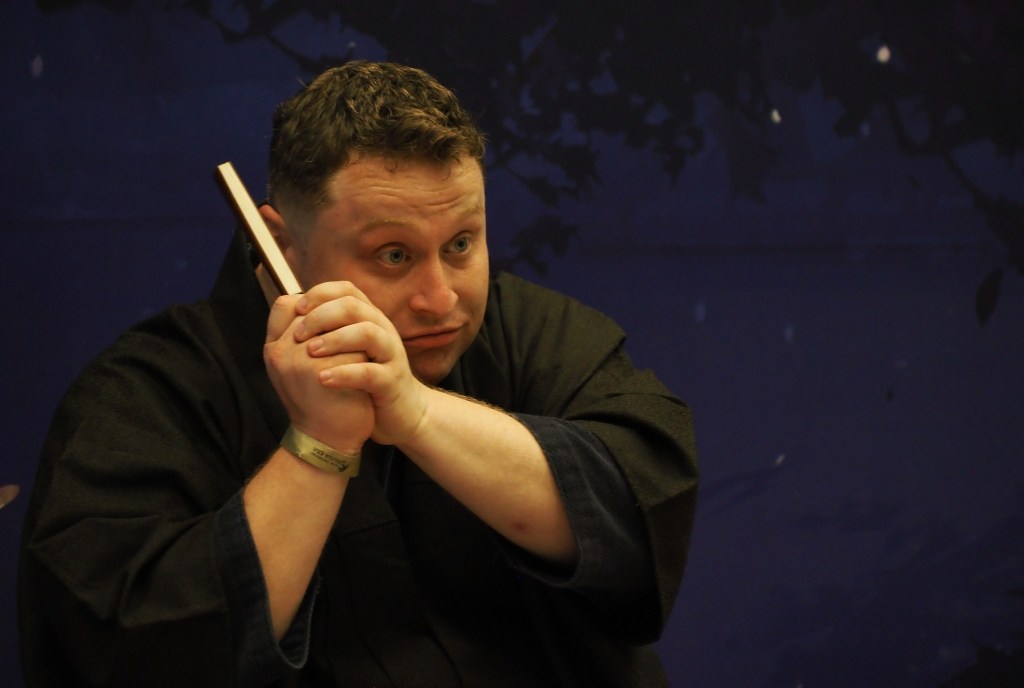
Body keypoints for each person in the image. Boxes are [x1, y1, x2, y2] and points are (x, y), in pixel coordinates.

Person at [18, 61, 698, 687]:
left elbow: (632, 511)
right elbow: (133, 646)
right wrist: (319, 445)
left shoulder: (530, 332)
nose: (440, 298)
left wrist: (416, 414)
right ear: (280, 244)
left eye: (461, 244)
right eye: (393, 255)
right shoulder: (148, 391)